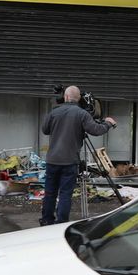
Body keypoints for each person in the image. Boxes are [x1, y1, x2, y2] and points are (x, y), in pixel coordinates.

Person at [40, 86, 116, 225]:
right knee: (65, 194)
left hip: (53, 160)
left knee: (50, 192)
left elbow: (45, 130)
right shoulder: (82, 114)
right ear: (79, 98)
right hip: (69, 162)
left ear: (66, 97)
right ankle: (61, 223)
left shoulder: (54, 112)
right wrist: (108, 123)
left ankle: (46, 221)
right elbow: (96, 130)